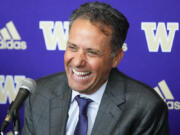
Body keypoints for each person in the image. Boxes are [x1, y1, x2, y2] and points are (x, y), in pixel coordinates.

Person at [22, 1, 169, 135]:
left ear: (116, 58)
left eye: (91, 52)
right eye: (72, 47)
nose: (78, 62)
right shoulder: (39, 94)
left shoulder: (145, 108)